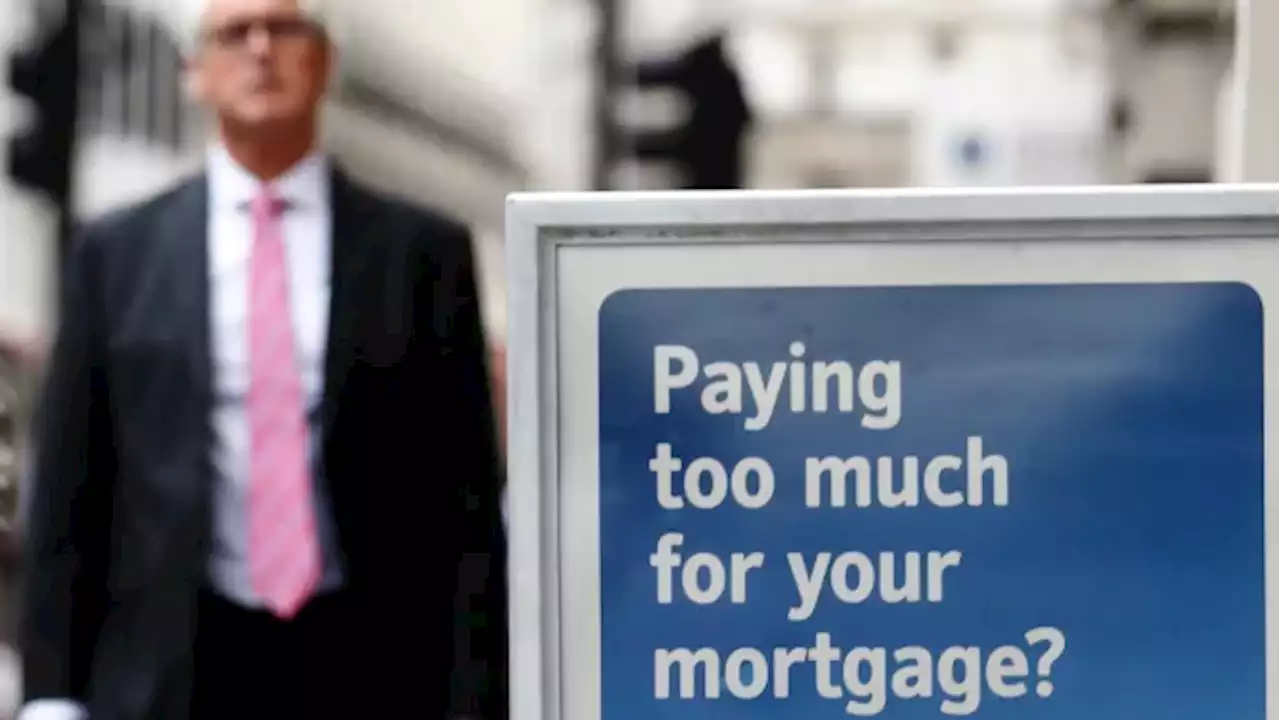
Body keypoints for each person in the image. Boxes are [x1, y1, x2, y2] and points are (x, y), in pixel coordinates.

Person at [17, 0, 507, 717]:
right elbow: (70, 486)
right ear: (196, 71)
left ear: (325, 61)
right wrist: (52, 694)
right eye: (233, 33)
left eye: (284, 29)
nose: (259, 50)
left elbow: (466, 505)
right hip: (169, 669)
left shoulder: (421, 256)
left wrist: (479, 695)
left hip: (372, 668)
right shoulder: (115, 255)